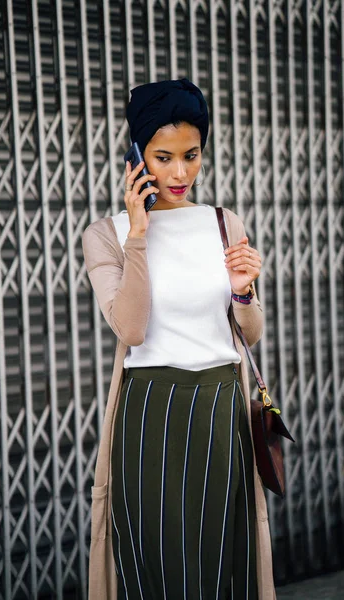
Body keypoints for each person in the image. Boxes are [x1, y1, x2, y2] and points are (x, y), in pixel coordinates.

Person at [82, 79, 276, 600]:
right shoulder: (106, 235)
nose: (180, 173)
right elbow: (132, 328)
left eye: (191, 155)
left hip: (220, 410)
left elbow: (251, 333)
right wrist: (140, 236)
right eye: (162, 157)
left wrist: (241, 293)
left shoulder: (222, 223)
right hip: (150, 416)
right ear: (136, 155)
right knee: (156, 567)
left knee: (221, 565)